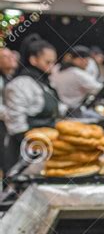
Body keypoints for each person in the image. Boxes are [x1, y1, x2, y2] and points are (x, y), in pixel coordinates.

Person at [3, 39, 60, 170]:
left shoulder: (44, 83)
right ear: (33, 60)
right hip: (24, 154)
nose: (53, 66)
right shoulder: (20, 84)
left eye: (54, 62)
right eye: (48, 62)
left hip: (46, 150)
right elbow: (16, 126)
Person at [52, 46, 103, 111]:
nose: (87, 64)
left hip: (57, 106)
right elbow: (103, 90)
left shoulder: (56, 67)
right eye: (86, 60)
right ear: (79, 59)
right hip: (71, 110)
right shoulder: (78, 73)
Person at [0, 47, 18, 174]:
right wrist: (12, 115)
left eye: (11, 55)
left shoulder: (10, 77)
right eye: (6, 57)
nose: (12, 58)